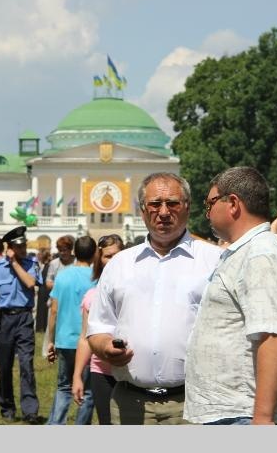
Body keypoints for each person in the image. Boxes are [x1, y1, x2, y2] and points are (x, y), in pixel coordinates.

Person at [87, 172, 222, 425]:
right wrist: (106, 347)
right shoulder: (119, 264)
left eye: (172, 203)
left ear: (187, 207)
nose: (163, 212)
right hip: (130, 404)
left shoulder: (214, 261)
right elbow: (98, 328)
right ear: (142, 210)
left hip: (195, 403)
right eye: (155, 204)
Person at [184, 167, 277, 425]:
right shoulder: (249, 251)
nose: (207, 213)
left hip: (244, 414)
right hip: (231, 411)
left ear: (233, 204)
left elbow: (274, 337)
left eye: (210, 203)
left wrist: (263, 418)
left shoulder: (262, 254)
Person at [0, 226, 43, 424]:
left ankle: (30, 410)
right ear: (10, 248)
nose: (23, 249)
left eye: (24, 245)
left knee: (26, 364)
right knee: (5, 365)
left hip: (24, 318)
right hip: (4, 319)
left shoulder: (31, 264)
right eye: (19, 247)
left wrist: (15, 262)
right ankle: (6, 407)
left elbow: (30, 283)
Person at [72, 234, 124, 424]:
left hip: (130, 372)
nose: (113, 260)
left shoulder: (137, 291)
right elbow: (85, 338)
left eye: (117, 255)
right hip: (101, 372)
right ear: (99, 259)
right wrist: (77, 375)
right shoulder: (92, 296)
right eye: (107, 256)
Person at [46, 235, 97, 425]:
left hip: (65, 338)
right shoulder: (96, 277)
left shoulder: (62, 275)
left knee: (63, 387)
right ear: (94, 253)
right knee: (88, 391)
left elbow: (54, 310)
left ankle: (56, 424)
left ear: (74, 251)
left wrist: (50, 340)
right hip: (88, 340)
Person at [35, 248, 52, 332]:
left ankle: (42, 326)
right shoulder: (43, 266)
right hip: (42, 289)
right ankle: (40, 326)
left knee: (43, 309)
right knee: (41, 308)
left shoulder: (47, 266)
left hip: (45, 290)